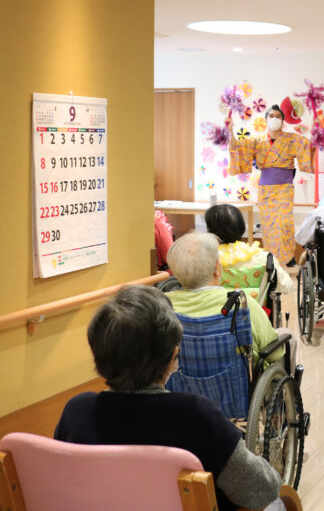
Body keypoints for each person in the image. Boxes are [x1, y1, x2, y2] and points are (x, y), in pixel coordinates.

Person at [54, 286, 282, 511]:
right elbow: (262, 489)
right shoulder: (196, 416)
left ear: (98, 354)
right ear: (173, 355)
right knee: (280, 503)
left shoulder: (77, 412)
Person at [165, 232, 287, 366]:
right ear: (217, 268)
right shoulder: (243, 304)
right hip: (240, 378)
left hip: (181, 377)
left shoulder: (163, 306)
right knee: (287, 336)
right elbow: (275, 354)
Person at [228, 104, 313, 266]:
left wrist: (315, 129)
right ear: (266, 119)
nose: (275, 118)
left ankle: (289, 256)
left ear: (283, 120)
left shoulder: (292, 139)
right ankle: (271, 256)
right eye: (271, 116)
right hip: (265, 190)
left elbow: (309, 146)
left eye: (278, 116)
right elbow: (236, 147)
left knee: (285, 223)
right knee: (268, 225)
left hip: (285, 188)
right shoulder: (257, 140)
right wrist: (230, 131)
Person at [205, 203, 293, 295]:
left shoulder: (204, 260)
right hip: (255, 303)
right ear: (242, 229)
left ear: (210, 232)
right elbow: (285, 287)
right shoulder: (264, 258)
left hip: (213, 304)